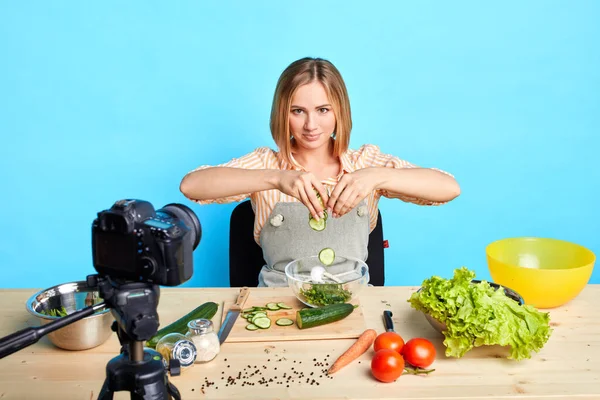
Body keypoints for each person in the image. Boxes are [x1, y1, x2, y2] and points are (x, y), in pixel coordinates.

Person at [180, 57, 460, 287]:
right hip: (277, 310)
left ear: (340, 112)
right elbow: (192, 185)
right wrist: (275, 178)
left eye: (323, 110)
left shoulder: (365, 162)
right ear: (282, 114)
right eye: (298, 111)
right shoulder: (267, 164)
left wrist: (378, 176)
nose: (311, 125)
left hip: (355, 309)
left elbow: (448, 188)